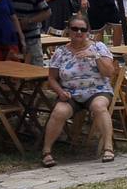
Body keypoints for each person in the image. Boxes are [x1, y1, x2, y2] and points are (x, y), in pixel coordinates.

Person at [40, 18, 116, 166]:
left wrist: (95, 56)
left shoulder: (98, 47)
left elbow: (109, 72)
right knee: (59, 112)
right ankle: (46, 151)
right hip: (70, 93)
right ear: (69, 31)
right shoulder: (60, 52)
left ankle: (108, 147)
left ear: (88, 31)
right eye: (75, 29)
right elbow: (52, 78)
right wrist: (60, 91)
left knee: (99, 107)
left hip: (97, 90)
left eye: (82, 29)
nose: (79, 32)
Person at [5, 0, 50, 66]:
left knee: (36, 66)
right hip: (10, 39)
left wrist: (30, 20)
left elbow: (47, 12)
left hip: (31, 37)